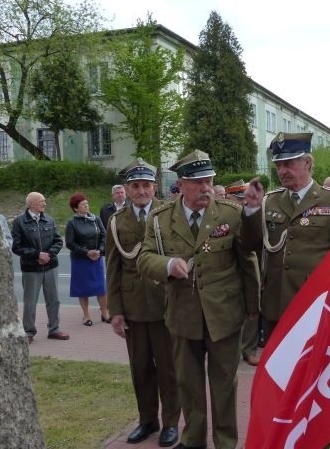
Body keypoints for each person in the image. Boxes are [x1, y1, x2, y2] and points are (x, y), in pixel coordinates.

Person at [138, 149, 260, 449]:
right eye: (198, 182)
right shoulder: (160, 219)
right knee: (188, 384)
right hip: (183, 315)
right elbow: (143, 259)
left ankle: (226, 442)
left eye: (209, 180)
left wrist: (253, 307)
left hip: (224, 315)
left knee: (224, 387)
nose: (206, 187)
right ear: (181, 184)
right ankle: (193, 440)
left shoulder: (231, 213)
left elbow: (250, 254)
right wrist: (167, 265)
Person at [242, 132, 330, 342]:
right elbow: (251, 246)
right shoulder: (269, 202)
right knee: (277, 371)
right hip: (275, 305)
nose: (282, 171)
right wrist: (251, 211)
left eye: (289, 164)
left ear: (308, 163)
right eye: (278, 165)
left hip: (314, 306)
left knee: (310, 370)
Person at [106, 158, 180, 447]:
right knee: (140, 368)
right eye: (135, 186)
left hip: (164, 303)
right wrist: (116, 311)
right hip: (133, 305)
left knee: (168, 368)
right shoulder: (116, 221)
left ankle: (172, 422)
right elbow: (112, 267)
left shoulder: (168, 214)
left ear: (154, 187)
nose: (141, 191)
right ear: (127, 188)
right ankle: (148, 419)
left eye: (146, 185)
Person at [12, 192, 69, 343]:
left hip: (51, 266)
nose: (45, 204)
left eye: (44, 201)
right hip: (31, 268)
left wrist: (48, 255)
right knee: (30, 301)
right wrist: (37, 255)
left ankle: (54, 329)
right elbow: (17, 247)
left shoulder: (49, 219)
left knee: (54, 299)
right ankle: (28, 332)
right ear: (31, 204)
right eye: (41, 201)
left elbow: (58, 241)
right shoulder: (19, 222)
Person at [224, 179, 261, 365]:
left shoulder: (244, 217)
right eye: (237, 198)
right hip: (228, 278)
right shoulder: (223, 215)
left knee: (252, 309)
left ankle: (249, 349)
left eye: (242, 198)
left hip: (245, 272)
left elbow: (249, 260)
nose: (241, 202)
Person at [65, 192, 109, 326]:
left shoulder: (95, 219)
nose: (86, 206)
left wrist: (99, 250)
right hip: (81, 260)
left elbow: (104, 235)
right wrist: (86, 252)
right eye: (82, 205)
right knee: (82, 288)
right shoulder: (72, 223)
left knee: (101, 288)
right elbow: (70, 243)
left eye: (86, 203)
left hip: (96, 258)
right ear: (75, 208)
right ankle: (86, 316)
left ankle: (104, 313)